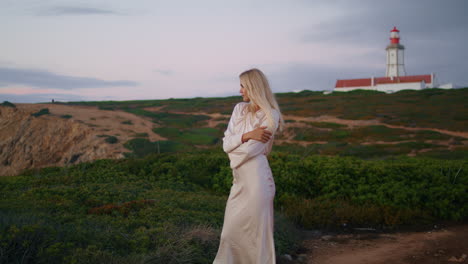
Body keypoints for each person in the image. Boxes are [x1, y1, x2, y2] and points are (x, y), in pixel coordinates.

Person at [213, 68, 284, 264]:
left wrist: (235, 148)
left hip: (257, 183)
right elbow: (226, 144)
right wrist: (246, 135)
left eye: (243, 86)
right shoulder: (239, 109)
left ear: (253, 87)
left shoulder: (271, 115)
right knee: (229, 234)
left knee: (256, 238)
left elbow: (250, 151)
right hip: (240, 181)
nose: (240, 90)